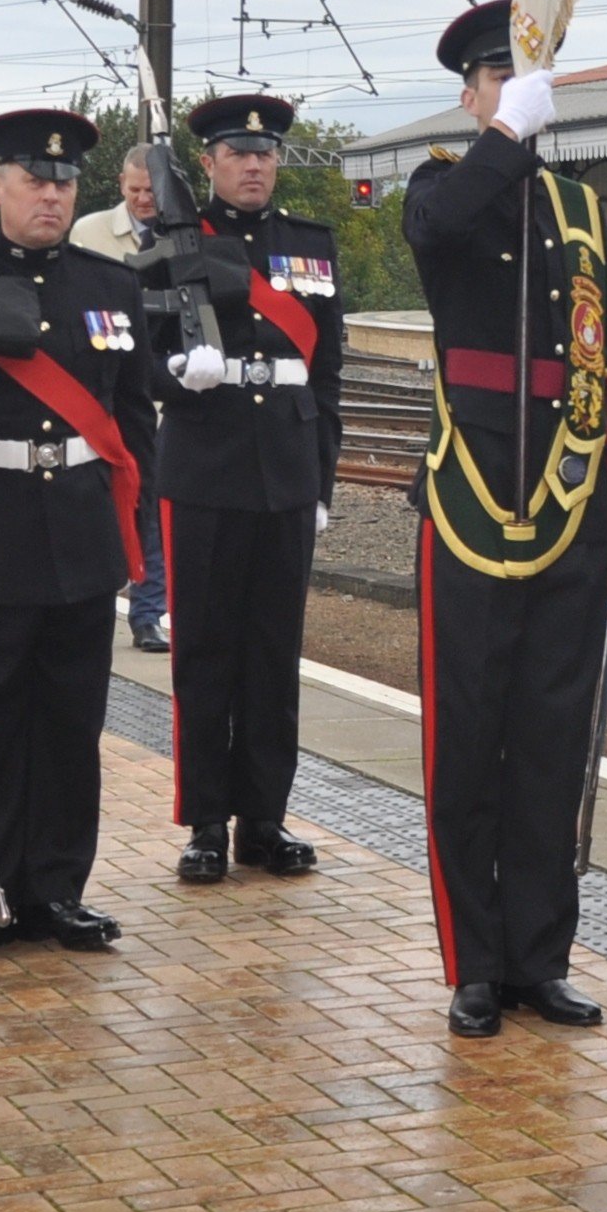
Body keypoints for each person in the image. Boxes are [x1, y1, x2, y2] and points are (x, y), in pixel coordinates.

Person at [401, 3, 607, 1036]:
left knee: (548, 740)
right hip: (471, 502)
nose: (511, 90)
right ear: (469, 89)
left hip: (568, 505)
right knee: (469, 740)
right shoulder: (443, 185)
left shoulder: (579, 212)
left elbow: (597, 361)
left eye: (525, 76)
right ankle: (473, 961)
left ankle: (541, 955)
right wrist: (502, 138)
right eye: (495, 76)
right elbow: (443, 235)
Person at [0, 109, 162, 965]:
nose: (52, 194)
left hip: (78, 530)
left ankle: (59, 888)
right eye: (34, 179)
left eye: (64, 182)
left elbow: (133, 422)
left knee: (70, 726)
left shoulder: (112, 286)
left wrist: (130, 532)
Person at [147, 91, 345, 885]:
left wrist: (322, 479)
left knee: (272, 655)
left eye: (264, 154)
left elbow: (326, 373)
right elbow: (139, 357)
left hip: (287, 471)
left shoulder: (311, 245)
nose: (253, 164)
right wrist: (172, 375)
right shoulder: (172, 244)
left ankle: (264, 819)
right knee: (205, 654)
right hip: (205, 466)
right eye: (237, 153)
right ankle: (204, 823)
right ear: (209, 163)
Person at [70, 143, 170, 652]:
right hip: (98, 399)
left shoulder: (182, 234)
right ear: (120, 183)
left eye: (152, 191)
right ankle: (101, 597)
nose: (143, 199)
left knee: (148, 507)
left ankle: (148, 613)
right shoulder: (88, 232)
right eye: (134, 190)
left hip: (159, 395)